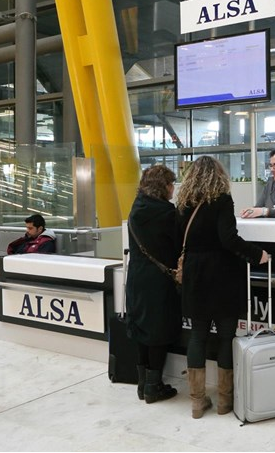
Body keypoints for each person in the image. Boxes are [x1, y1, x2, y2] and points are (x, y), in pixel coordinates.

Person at [177, 156, 268, 419]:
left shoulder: (183, 203)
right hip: (222, 274)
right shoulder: (222, 200)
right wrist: (257, 254)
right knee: (226, 335)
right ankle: (225, 402)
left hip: (194, 273)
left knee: (198, 335)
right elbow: (228, 239)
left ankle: (196, 401)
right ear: (219, 175)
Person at [125, 165, 181, 404]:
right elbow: (178, 244)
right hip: (160, 279)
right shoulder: (168, 213)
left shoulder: (136, 207)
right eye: (171, 184)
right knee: (159, 330)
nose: (173, 189)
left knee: (141, 329)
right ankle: (153, 386)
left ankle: (141, 384)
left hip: (137, 276)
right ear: (163, 186)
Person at [0, 214, 56, 335]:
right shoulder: (28, 239)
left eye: (30, 228)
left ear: (40, 229)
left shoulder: (46, 243)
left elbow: (36, 264)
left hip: (15, 271)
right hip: (5, 264)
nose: (27, 230)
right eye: (26, 227)